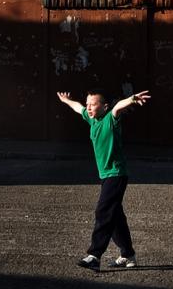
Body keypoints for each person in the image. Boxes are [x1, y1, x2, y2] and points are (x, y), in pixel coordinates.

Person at [57, 89, 151, 272]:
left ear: (104, 106)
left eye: (93, 104)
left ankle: (95, 255)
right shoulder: (92, 119)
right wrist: (67, 101)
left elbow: (118, 107)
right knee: (115, 217)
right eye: (88, 104)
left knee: (103, 211)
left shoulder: (110, 119)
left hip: (116, 174)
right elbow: (78, 108)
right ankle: (127, 255)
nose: (89, 107)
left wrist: (132, 99)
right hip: (106, 176)